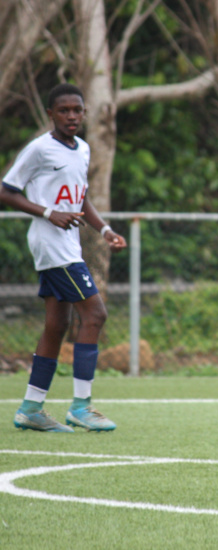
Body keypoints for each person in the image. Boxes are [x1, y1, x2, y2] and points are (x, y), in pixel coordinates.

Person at [0, 83, 127, 433]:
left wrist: (104, 231)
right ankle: (81, 406)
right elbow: (6, 190)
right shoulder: (39, 149)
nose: (72, 116)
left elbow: (80, 198)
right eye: (64, 110)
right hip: (50, 243)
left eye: (77, 110)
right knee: (95, 314)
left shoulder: (83, 149)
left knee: (56, 326)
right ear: (51, 114)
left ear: (84, 114)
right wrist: (47, 212)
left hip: (69, 243)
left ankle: (30, 407)